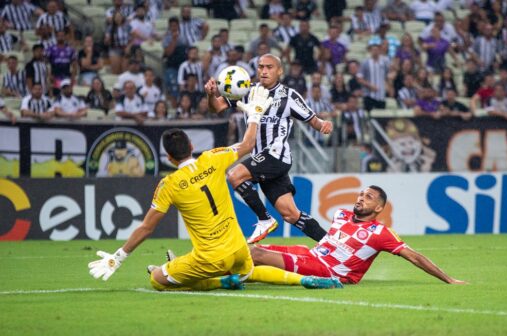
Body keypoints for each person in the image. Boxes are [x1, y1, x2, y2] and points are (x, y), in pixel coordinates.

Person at [88, 86, 342, 291]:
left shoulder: (169, 185)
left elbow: (146, 227)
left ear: (168, 157)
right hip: (239, 248)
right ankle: (304, 280)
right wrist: (254, 114)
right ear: (191, 145)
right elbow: (247, 144)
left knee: (157, 278)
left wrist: (118, 256)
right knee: (251, 271)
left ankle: (222, 281)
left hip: (211, 258)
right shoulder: (213, 158)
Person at [205, 54, 333, 244]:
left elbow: (313, 120)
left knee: (234, 175)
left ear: (279, 71)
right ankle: (332, 245)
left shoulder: (289, 96)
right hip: (260, 159)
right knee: (291, 214)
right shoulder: (247, 91)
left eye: (269, 67)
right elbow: (216, 108)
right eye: (260, 67)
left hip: (276, 156)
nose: (264, 71)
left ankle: (264, 219)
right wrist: (210, 94)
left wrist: (324, 123)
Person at [250, 186, 467, 285]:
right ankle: (225, 274)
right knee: (249, 251)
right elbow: (328, 238)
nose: (361, 198)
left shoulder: (381, 233)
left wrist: (448, 279)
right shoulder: (341, 214)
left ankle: (219, 277)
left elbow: (414, 256)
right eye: (361, 194)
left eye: (369, 197)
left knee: (257, 255)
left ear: (379, 208)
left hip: (328, 271)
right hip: (311, 255)